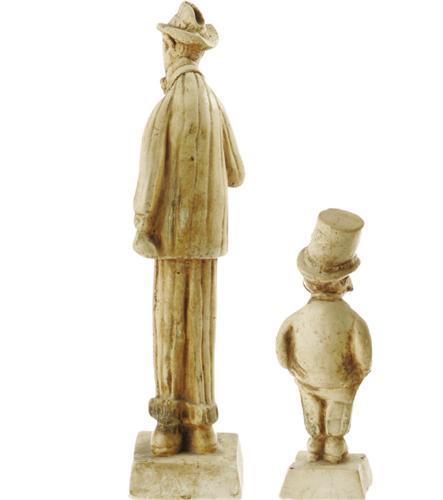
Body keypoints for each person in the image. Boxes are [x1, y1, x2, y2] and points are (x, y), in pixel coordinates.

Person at [133, 2, 245, 456]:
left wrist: (143, 223)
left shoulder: (167, 106)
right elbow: (237, 172)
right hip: (208, 239)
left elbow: (150, 175)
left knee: (170, 325)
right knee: (200, 328)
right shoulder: (214, 103)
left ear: (170, 46)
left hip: (169, 239)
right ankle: (201, 427)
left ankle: (167, 425)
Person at [276, 209, 372, 463]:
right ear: (342, 283)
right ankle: (333, 444)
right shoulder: (353, 320)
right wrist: (358, 373)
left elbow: (282, 351)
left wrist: (293, 368)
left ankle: (316, 442)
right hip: (340, 382)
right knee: (337, 411)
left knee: (312, 407)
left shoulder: (296, 319)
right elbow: (365, 359)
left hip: (307, 379)